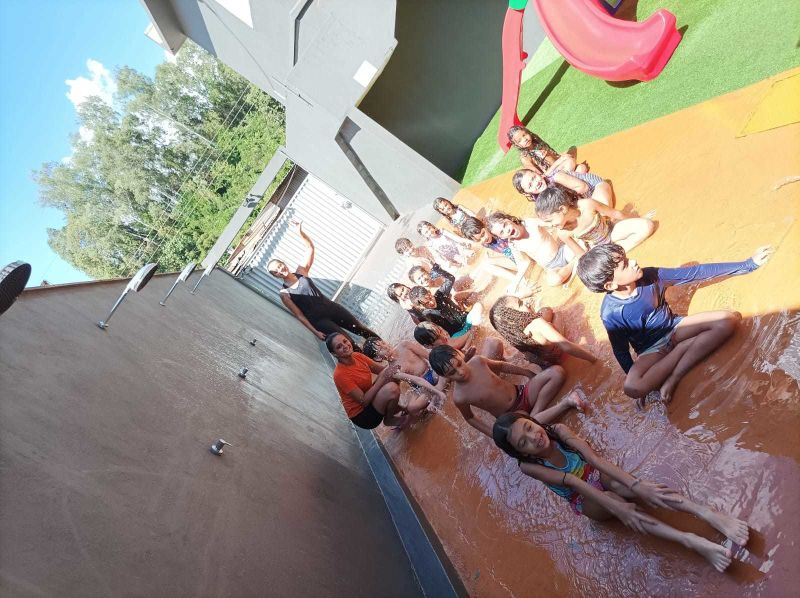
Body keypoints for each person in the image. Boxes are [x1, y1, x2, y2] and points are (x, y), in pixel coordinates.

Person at [492, 413, 749, 572]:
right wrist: (619, 508)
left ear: (532, 420)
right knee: (616, 500)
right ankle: (689, 540)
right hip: (583, 498)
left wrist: (637, 485)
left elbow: (595, 459)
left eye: (528, 427)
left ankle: (705, 512)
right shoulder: (529, 466)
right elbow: (573, 483)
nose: (533, 437)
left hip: (596, 473)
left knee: (628, 486)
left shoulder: (557, 430)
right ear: (521, 453)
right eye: (523, 442)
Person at [577, 243, 774, 403]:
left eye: (628, 258)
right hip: (650, 351)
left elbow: (694, 273)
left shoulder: (651, 276)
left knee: (727, 320)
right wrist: (639, 383)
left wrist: (748, 264)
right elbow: (621, 351)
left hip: (676, 328)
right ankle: (682, 350)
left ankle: (675, 374)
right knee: (632, 388)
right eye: (625, 265)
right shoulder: (611, 313)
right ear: (610, 285)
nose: (634, 262)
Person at [428, 343, 584, 438]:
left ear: (460, 355)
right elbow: (470, 418)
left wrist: (526, 373)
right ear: (445, 376)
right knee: (523, 430)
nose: (460, 372)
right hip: (512, 415)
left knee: (557, 372)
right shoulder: (459, 396)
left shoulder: (477, 361)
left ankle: (535, 416)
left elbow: (502, 366)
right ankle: (565, 403)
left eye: (459, 364)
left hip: (523, 393)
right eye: (452, 373)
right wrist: (493, 434)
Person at [268, 222, 379, 342]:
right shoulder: (284, 294)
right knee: (347, 342)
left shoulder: (301, 271)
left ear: (283, 263)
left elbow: (310, 248)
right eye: (276, 272)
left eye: (279, 266)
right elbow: (299, 315)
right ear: (275, 276)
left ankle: (384, 347)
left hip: (331, 308)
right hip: (320, 321)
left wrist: (300, 233)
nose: (280, 270)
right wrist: (315, 332)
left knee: (360, 328)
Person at [534, 186, 654, 258]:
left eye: (550, 220)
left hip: (611, 231)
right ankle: (615, 253)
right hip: (600, 248)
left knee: (647, 226)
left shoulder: (587, 205)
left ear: (562, 209)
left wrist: (638, 219)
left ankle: (619, 252)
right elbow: (581, 255)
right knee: (600, 261)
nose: (550, 225)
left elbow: (616, 214)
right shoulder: (563, 233)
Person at [489, 295, 597, 368]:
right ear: (513, 317)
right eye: (520, 303)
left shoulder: (514, 335)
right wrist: (593, 359)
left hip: (546, 361)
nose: (526, 303)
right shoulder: (538, 324)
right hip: (558, 353)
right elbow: (566, 346)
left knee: (544, 311)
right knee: (557, 315)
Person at [328, 333, 404, 429]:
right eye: (339, 347)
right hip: (363, 416)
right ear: (334, 354)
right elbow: (363, 401)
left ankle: (395, 407)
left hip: (370, 399)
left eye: (345, 341)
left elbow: (382, 370)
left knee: (391, 374)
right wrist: (382, 378)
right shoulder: (340, 375)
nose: (345, 346)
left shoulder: (357, 356)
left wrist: (393, 357)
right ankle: (389, 419)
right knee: (392, 388)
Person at [486, 211, 575, 287]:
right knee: (554, 281)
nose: (507, 230)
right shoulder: (513, 244)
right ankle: (575, 262)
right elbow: (523, 263)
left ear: (509, 219)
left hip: (562, 252)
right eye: (502, 232)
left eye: (505, 225)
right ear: (502, 237)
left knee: (577, 245)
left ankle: (572, 264)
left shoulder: (530, 223)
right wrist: (516, 283)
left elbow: (551, 224)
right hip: (551, 267)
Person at [363, 337, 447, 413]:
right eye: (381, 349)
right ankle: (438, 389)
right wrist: (437, 392)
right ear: (377, 358)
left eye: (383, 343)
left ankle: (435, 396)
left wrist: (437, 392)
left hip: (430, 372)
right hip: (420, 387)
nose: (385, 347)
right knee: (412, 407)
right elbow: (417, 381)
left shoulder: (405, 345)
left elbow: (429, 357)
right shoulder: (393, 370)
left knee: (441, 368)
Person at [513, 165, 614, 207]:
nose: (536, 183)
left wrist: (566, 202)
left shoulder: (556, 177)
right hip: (580, 200)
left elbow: (584, 188)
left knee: (602, 210)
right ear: (527, 192)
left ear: (538, 173)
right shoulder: (539, 198)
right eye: (530, 185)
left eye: (534, 177)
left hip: (594, 187)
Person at [409, 284, 483, 339]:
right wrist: (411, 310)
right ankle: (471, 335)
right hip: (457, 335)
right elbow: (421, 322)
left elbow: (451, 279)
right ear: (421, 306)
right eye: (426, 303)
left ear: (429, 292)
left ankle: (472, 333)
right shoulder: (426, 315)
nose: (431, 302)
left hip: (467, 322)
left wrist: (436, 269)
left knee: (478, 305)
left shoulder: (440, 295)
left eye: (430, 298)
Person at [507, 125, 589, 174]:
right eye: (519, 140)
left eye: (524, 135)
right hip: (551, 177)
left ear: (528, 132)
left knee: (582, 168)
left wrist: (553, 155)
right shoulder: (525, 157)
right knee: (570, 162)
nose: (524, 139)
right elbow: (542, 176)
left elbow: (555, 157)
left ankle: (571, 183)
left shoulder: (536, 142)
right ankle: (569, 186)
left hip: (559, 169)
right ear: (517, 145)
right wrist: (560, 161)